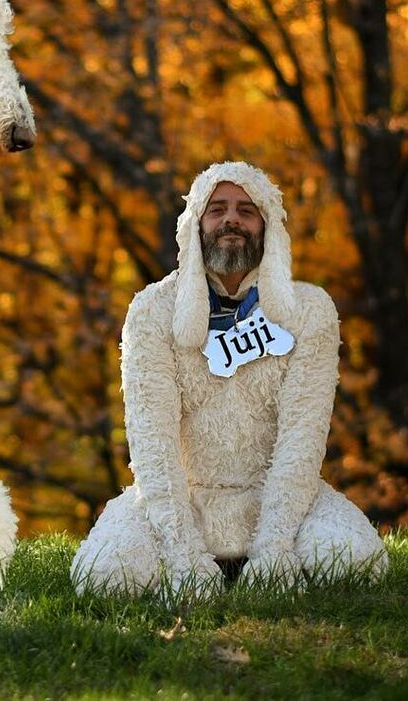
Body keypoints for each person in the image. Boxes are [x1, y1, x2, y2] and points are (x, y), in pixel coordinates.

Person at [71, 161, 387, 598]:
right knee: (104, 576)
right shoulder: (151, 311)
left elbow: (303, 438)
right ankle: (185, 556)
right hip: (184, 501)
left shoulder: (310, 311)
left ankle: (272, 550)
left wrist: (274, 549)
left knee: (355, 562)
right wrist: (184, 557)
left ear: (269, 225)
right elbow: (151, 443)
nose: (231, 219)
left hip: (281, 503)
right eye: (217, 209)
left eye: (246, 209)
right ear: (195, 225)